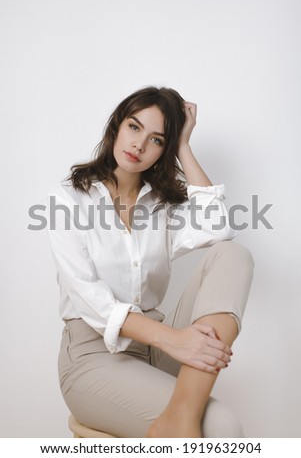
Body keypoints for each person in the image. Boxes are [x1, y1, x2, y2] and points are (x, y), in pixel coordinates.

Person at [47, 86, 254, 438]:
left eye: (157, 139)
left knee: (233, 254)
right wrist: (174, 340)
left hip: (156, 351)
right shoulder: (68, 201)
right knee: (224, 427)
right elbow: (92, 302)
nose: (139, 145)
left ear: (164, 150)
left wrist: (184, 146)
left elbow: (220, 228)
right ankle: (182, 419)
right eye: (134, 127)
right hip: (94, 359)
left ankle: (181, 415)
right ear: (117, 126)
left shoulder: (162, 206)